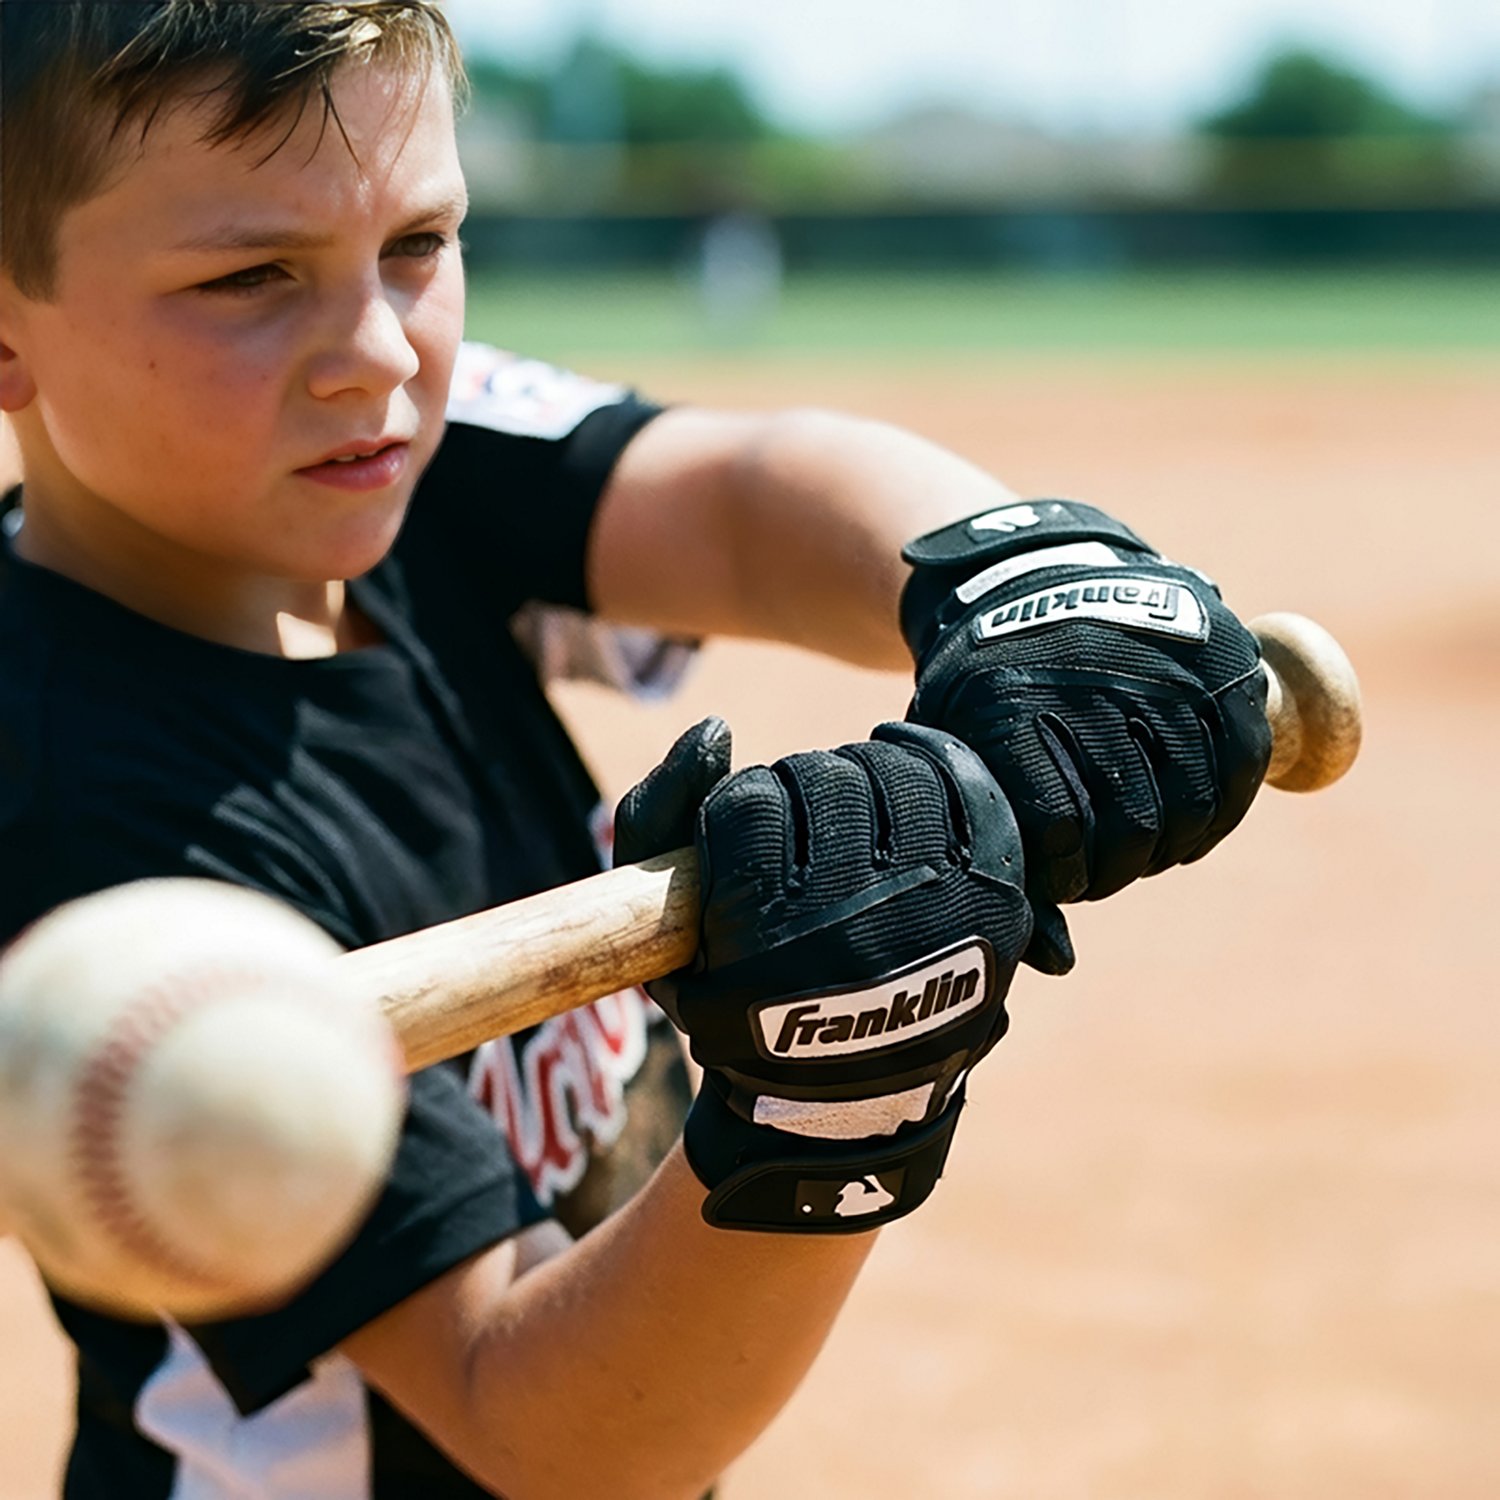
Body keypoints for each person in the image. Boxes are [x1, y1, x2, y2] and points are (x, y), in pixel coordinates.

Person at [0, 4, 1271, 1497]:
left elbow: (736, 499)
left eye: (419, 243)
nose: (376, 352)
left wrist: (1008, 575)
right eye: (247, 276)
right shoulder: (79, 809)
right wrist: (821, 1116)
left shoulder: (373, 456)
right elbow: (543, 1431)